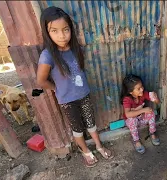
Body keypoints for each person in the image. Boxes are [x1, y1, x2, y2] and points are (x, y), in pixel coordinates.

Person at [37, 6, 113, 167]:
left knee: (91, 122)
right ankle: (85, 150)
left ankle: (99, 145)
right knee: (77, 128)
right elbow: (41, 81)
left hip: (84, 94)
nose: (62, 35)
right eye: (54, 31)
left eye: (65, 29)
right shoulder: (48, 55)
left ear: (70, 29)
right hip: (67, 101)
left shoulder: (75, 48)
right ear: (47, 32)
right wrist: (57, 89)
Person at [120, 74, 160, 154]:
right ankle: (136, 140)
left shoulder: (143, 94)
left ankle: (152, 132)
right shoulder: (127, 99)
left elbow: (157, 102)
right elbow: (128, 115)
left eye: (141, 86)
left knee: (151, 113)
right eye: (138, 89)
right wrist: (143, 110)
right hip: (133, 121)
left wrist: (155, 98)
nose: (142, 89)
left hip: (141, 119)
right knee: (131, 120)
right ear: (131, 92)